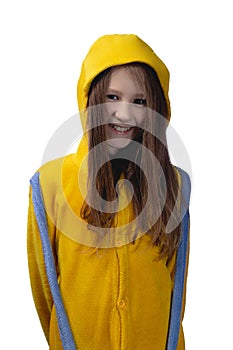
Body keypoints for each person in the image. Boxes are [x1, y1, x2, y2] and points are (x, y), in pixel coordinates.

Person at [27, 34, 191, 350]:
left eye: (139, 101)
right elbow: (45, 288)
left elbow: (176, 287)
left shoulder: (175, 184)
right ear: (90, 100)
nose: (125, 114)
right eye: (112, 97)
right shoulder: (49, 184)